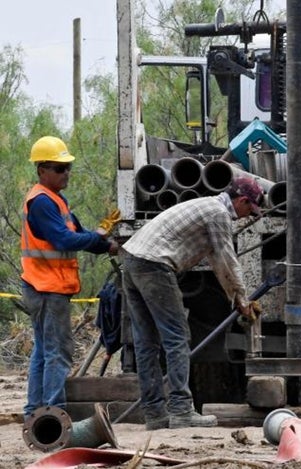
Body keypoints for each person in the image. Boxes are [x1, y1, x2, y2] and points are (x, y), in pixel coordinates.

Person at [120, 176, 264, 430]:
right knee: (177, 337)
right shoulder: (218, 213)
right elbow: (226, 260)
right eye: (249, 210)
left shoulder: (206, 206)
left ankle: (154, 414)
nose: (247, 216)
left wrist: (236, 295)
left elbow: (216, 260)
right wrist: (242, 298)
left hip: (132, 261)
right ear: (241, 201)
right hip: (154, 265)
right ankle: (181, 410)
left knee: (146, 343)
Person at [21, 136, 120, 420]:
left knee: (43, 350)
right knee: (57, 354)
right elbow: (65, 239)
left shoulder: (56, 200)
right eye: (59, 168)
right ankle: (53, 415)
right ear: (41, 169)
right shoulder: (41, 202)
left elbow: (79, 234)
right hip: (46, 287)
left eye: (67, 167)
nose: (66, 173)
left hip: (46, 286)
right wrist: (101, 241)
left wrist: (103, 241)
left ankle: (35, 412)